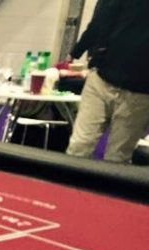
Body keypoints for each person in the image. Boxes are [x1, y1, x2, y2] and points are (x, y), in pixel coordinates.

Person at [66, 0, 149, 163]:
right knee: (79, 146)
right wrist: (74, 53)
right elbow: (98, 22)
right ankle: (68, 179)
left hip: (139, 92)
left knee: (117, 157)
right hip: (101, 79)